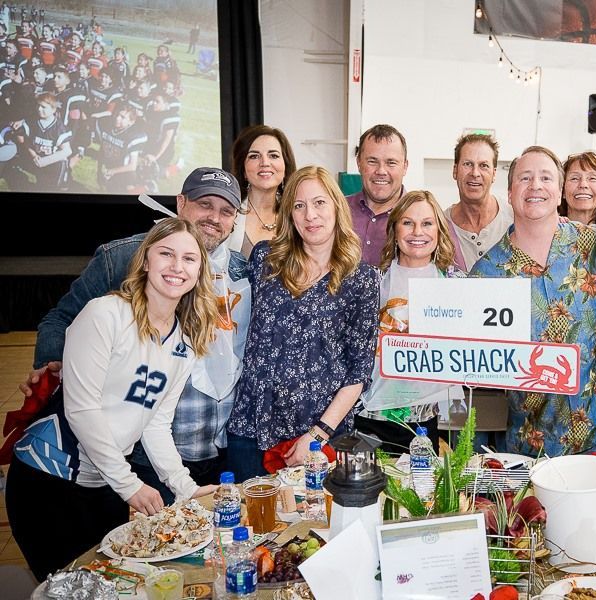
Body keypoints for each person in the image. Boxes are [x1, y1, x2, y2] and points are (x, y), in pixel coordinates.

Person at [6, 218, 220, 581]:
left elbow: (155, 425)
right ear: (146, 260)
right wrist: (129, 484)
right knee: (66, 588)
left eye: (189, 259)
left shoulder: (183, 342)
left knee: (112, 585)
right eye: (166, 254)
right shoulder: (105, 314)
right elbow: (81, 409)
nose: (176, 267)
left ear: (200, 272)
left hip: (103, 483)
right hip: (47, 482)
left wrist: (187, 488)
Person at [21, 167, 249, 504]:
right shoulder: (118, 271)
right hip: (86, 462)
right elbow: (61, 321)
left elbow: (157, 418)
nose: (214, 217)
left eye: (226, 211)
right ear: (181, 203)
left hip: (188, 446)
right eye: (205, 204)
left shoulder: (235, 276)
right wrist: (57, 366)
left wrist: (183, 486)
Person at [226, 165, 379, 481]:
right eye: (299, 205)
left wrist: (318, 433)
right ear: (290, 214)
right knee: (248, 524)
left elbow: (359, 370)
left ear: (337, 207)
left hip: (319, 435)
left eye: (320, 203)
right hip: (251, 428)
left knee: (314, 525)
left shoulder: (361, 280)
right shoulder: (265, 259)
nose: (311, 215)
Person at [469, 146, 596, 456]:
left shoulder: (595, 245)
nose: (535, 185)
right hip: (528, 444)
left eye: (545, 177)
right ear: (509, 193)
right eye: (525, 178)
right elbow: (476, 373)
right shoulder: (486, 273)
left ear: (560, 192)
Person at [356, 190, 464, 451]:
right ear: (394, 230)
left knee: (422, 490)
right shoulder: (370, 281)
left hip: (427, 417)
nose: (418, 232)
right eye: (408, 222)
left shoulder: (457, 284)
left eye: (427, 223)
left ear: (439, 231)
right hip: (371, 415)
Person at [348, 123, 464, 267]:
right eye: (372, 161)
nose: (381, 171)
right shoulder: (336, 212)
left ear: (405, 166)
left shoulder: (432, 218)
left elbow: (456, 281)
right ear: (359, 163)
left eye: (391, 163)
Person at [444, 132, 512, 271]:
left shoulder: (515, 219)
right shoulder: (441, 227)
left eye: (483, 165)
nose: (475, 173)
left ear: (494, 174)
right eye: (468, 164)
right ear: (455, 171)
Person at [227, 124, 297, 257]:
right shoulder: (227, 213)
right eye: (254, 156)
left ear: (285, 166)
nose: (265, 162)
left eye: (273, 156)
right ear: (243, 169)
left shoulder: (298, 214)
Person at [560, 151, 596, 230]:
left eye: (592, 178)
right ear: (562, 191)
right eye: (574, 178)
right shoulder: (548, 230)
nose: (583, 185)